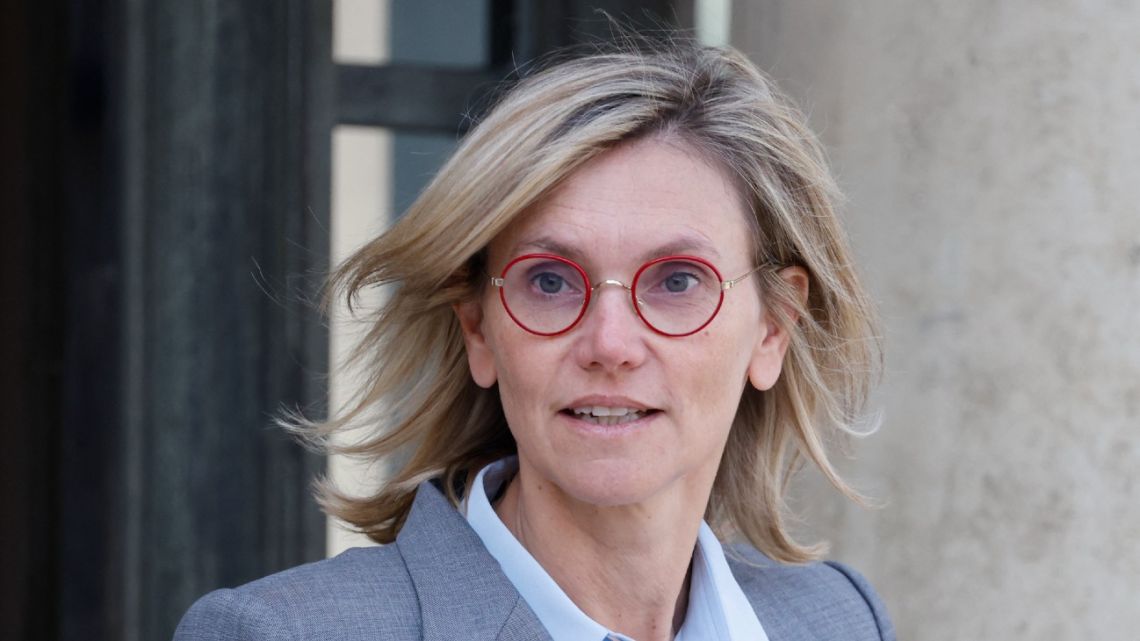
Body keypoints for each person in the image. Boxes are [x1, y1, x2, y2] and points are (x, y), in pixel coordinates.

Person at [175, 38, 893, 641]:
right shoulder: (283, 633)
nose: (610, 343)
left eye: (677, 280)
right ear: (477, 329)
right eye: (549, 280)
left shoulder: (839, 620)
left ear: (773, 328)